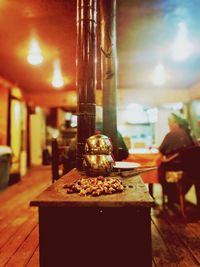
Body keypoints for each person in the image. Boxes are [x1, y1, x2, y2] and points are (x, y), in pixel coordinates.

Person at [158, 113, 195, 206]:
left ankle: (171, 197)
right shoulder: (187, 133)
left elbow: (161, 149)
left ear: (176, 123)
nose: (168, 125)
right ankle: (176, 196)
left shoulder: (171, 134)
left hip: (174, 167)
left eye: (169, 122)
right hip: (189, 169)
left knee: (160, 170)